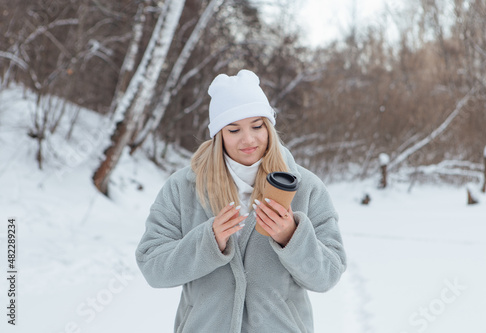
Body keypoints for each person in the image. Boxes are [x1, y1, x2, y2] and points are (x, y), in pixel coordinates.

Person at [135, 69, 347, 332]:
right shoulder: (183, 188)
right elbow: (152, 266)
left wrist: (292, 237)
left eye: (257, 126)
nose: (249, 139)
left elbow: (327, 275)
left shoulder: (307, 188)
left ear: (269, 126)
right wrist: (208, 241)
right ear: (219, 135)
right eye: (234, 129)